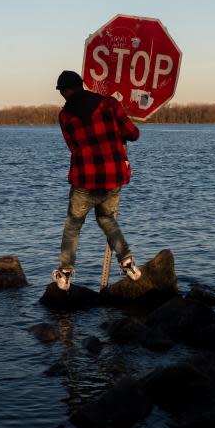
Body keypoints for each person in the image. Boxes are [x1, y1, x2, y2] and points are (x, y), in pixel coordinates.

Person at [52, 70, 142, 291]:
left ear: (65, 91)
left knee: (73, 226)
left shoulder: (65, 116)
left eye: (62, 92)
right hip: (113, 176)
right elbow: (133, 133)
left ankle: (64, 274)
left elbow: (73, 147)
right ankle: (128, 263)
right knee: (107, 220)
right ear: (81, 84)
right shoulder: (109, 104)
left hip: (85, 178)